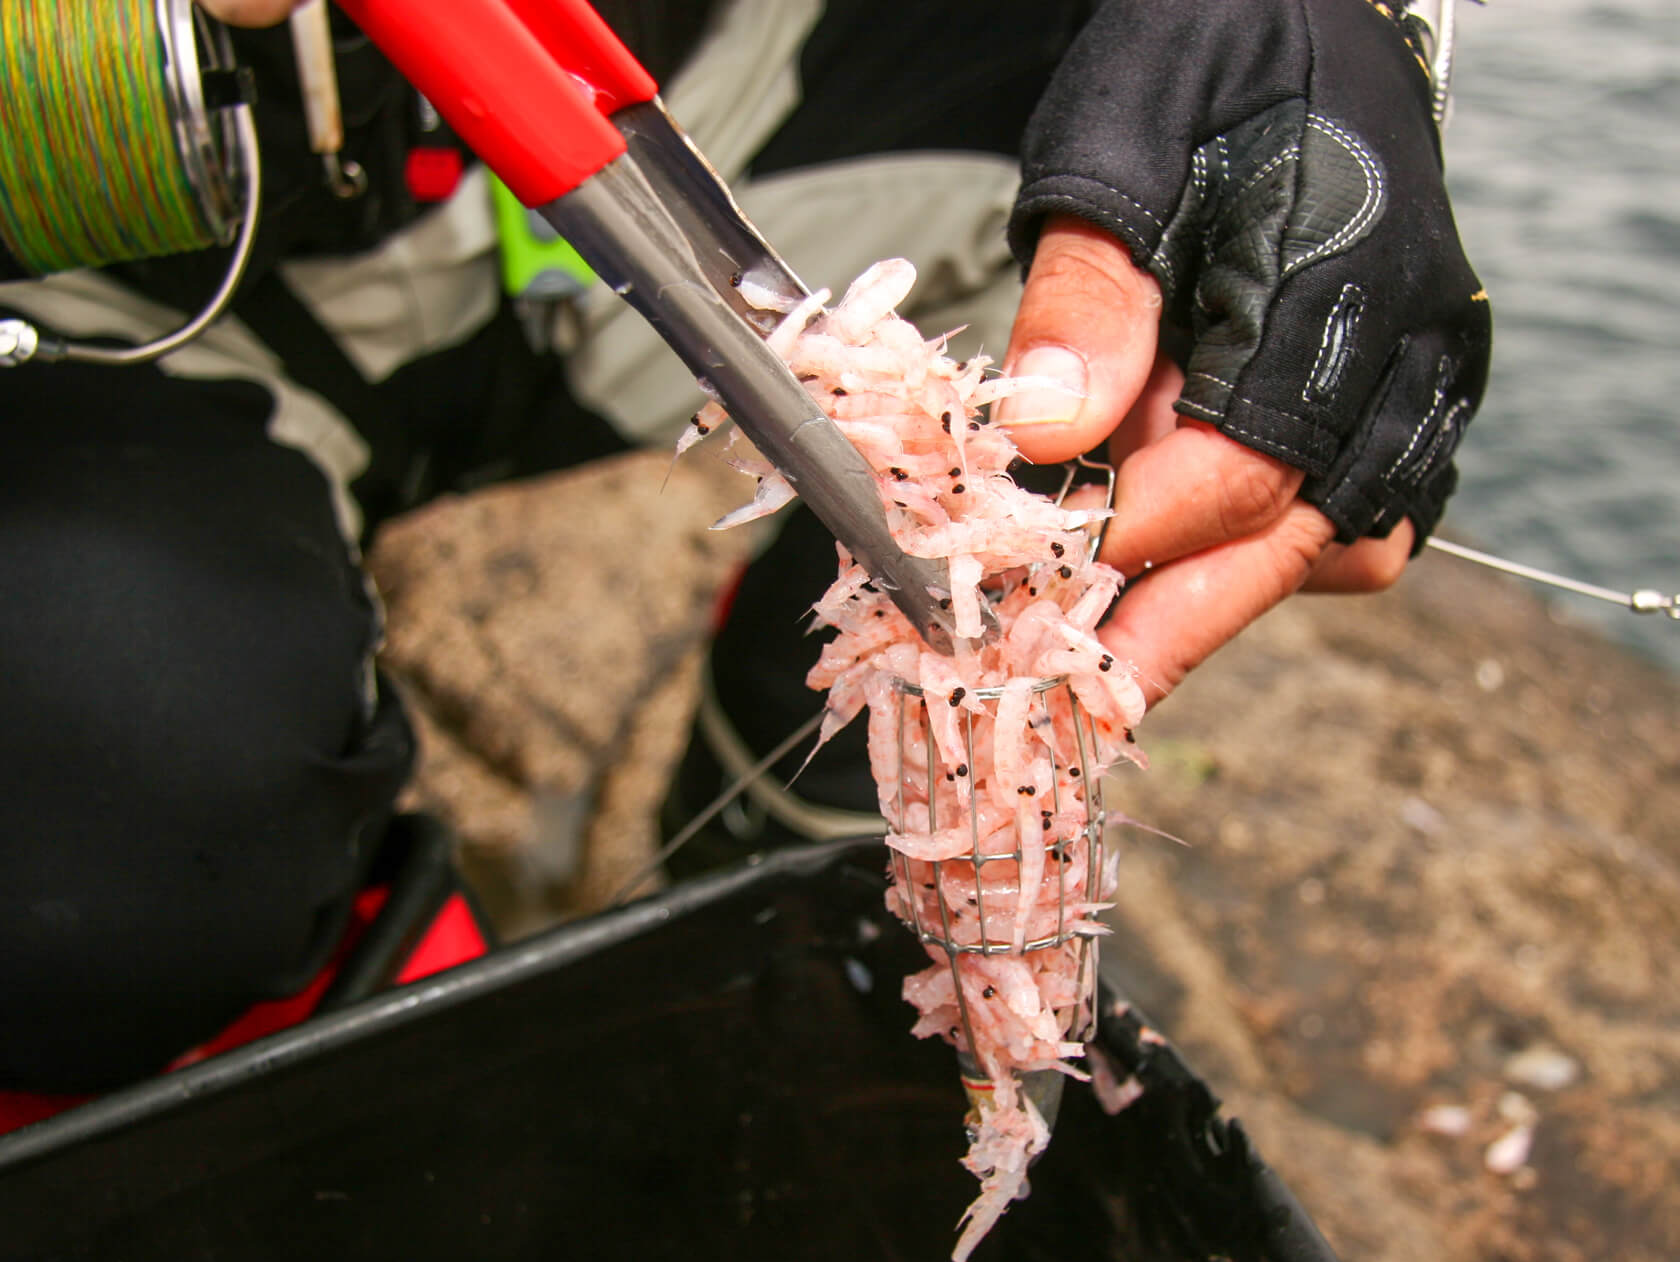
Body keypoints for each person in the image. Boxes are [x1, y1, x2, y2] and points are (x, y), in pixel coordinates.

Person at [0, 0, 1487, 1092]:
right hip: (122, 295)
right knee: (98, 821)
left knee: (1149, 241)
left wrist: (1347, 43)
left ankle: (822, 916)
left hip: (759, 104)